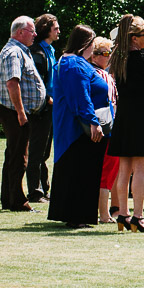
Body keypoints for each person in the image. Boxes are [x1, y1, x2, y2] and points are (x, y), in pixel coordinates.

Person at [47, 25, 109, 229]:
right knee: (80, 169)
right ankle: (76, 215)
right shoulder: (73, 64)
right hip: (77, 129)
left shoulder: (74, 62)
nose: (93, 49)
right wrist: (93, 121)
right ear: (85, 44)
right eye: (92, 44)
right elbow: (80, 96)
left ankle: (78, 214)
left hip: (79, 125)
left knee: (83, 169)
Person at [109, 14, 144, 233]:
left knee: (124, 169)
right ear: (134, 38)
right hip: (142, 115)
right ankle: (138, 216)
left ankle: (122, 213)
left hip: (124, 116)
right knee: (141, 169)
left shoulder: (117, 58)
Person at [0, 16, 47, 213]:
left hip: (16, 111)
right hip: (15, 112)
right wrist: (20, 112)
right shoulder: (14, 52)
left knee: (13, 155)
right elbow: (12, 83)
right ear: (20, 32)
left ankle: (8, 199)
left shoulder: (18, 51)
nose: (35, 34)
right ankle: (18, 202)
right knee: (19, 158)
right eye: (32, 31)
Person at [26, 13, 59, 203]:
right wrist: (47, 99)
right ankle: (35, 192)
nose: (59, 31)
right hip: (41, 108)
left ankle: (44, 189)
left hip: (51, 107)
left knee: (44, 152)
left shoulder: (50, 50)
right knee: (37, 151)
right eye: (56, 28)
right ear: (46, 30)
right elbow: (36, 81)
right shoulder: (37, 52)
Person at [89, 37, 121, 224]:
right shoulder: (99, 75)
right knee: (107, 171)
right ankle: (104, 214)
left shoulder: (98, 74)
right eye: (106, 53)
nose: (109, 57)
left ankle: (104, 212)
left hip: (103, 126)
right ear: (94, 56)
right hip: (105, 128)